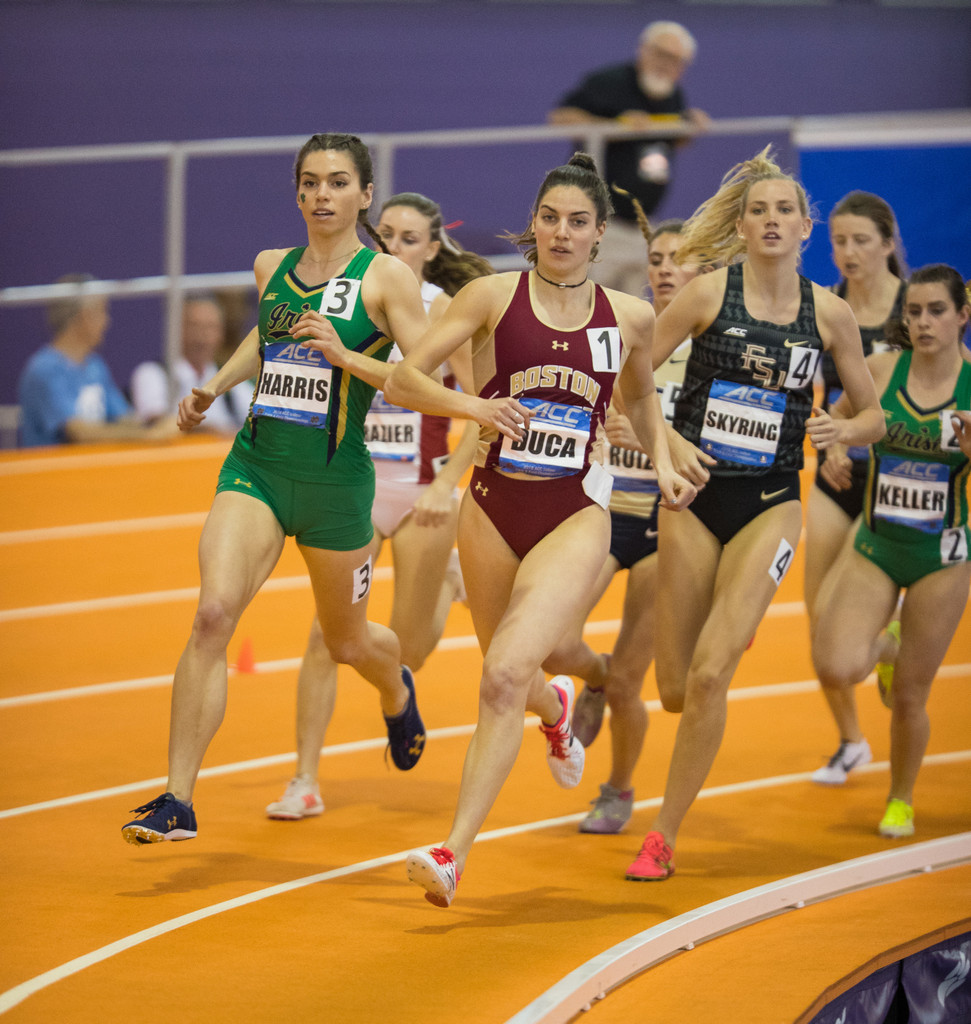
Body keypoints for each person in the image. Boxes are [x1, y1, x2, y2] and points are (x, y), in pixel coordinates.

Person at [383, 153, 696, 908]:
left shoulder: (628, 317)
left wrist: (661, 462)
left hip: (573, 513)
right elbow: (402, 377)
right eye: (549, 218)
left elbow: (641, 400)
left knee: (499, 676)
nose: (561, 232)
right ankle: (557, 712)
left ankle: (452, 853)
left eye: (577, 222)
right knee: (513, 671)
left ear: (598, 234)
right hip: (491, 507)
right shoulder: (491, 296)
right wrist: (474, 408)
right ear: (533, 224)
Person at [120, 132, 431, 844]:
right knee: (211, 615)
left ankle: (396, 689)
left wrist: (346, 356)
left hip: (335, 485)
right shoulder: (272, 266)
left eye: (338, 182)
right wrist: (215, 385)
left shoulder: (386, 278)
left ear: (365, 194)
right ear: (296, 192)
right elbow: (265, 340)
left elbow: (419, 378)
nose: (322, 194)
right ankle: (177, 800)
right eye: (310, 182)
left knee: (347, 643)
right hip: (256, 467)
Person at [624, 147, 886, 882]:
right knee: (675, 689)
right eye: (758, 210)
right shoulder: (707, 296)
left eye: (785, 210)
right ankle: (719, 633)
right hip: (694, 498)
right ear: (740, 227)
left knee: (711, 675)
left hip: (771, 501)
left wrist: (841, 429)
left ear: (805, 228)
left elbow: (873, 416)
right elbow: (629, 386)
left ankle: (663, 836)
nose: (771, 220)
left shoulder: (828, 314)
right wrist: (670, 442)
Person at [265, 192, 492, 820]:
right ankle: (304, 779)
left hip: (421, 495)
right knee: (330, 635)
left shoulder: (443, 311)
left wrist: (447, 485)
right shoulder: (349, 298)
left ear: (432, 248)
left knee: (407, 649)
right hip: (353, 487)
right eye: (385, 233)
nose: (393, 246)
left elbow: (483, 408)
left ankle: (440, 595)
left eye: (409, 238)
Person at [543, 219, 706, 835]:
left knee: (632, 683)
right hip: (607, 514)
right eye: (656, 258)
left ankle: (617, 788)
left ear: (703, 274)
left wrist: (649, 438)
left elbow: (718, 453)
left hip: (670, 528)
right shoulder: (620, 332)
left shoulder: (708, 352)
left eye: (678, 259)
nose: (663, 268)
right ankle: (594, 678)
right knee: (554, 644)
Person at [811, 264, 971, 838]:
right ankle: (886, 644)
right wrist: (834, 446)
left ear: (962, 316)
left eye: (936, 311)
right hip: (876, 542)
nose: (924, 322)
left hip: (942, 557)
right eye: (914, 311)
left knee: (909, 695)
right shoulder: (881, 370)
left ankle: (900, 798)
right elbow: (835, 417)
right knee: (835, 664)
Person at [805, 192, 908, 786]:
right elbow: (818, 397)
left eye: (861, 241)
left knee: (844, 631)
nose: (848, 252)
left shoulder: (914, 311)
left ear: (888, 244)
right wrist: (834, 445)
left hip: (892, 480)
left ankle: (888, 644)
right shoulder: (826, 306)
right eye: (839, 241)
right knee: (818, 623)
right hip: (836, 472)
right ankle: (850, 740)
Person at [548, 21, 710, 297]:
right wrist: (614, 127)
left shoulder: (672, 94)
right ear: (643, 50)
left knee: (634, 308)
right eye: (661, 54)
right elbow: (560, 118)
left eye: (677, 60)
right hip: (603, 224)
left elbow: (669, 140)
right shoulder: (610, 83)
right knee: (588, 303)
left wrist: (688, 126)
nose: (666, 64)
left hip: (644, 225)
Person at [18, 274, 177, 447]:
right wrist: (147, 435)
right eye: (102, 311)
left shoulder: (95, 365)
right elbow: (78, 432)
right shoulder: (44, 370)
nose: (107, 321)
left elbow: (123, 417)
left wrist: (160, 424)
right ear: (85, 316)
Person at [130, 294, 252, 434]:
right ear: (175, 330)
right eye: (194, 325)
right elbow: (157, 422)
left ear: (221, 334)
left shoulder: (230, 381)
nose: (202, 335)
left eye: (210, 327)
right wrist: (215, 433)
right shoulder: (152, 374)